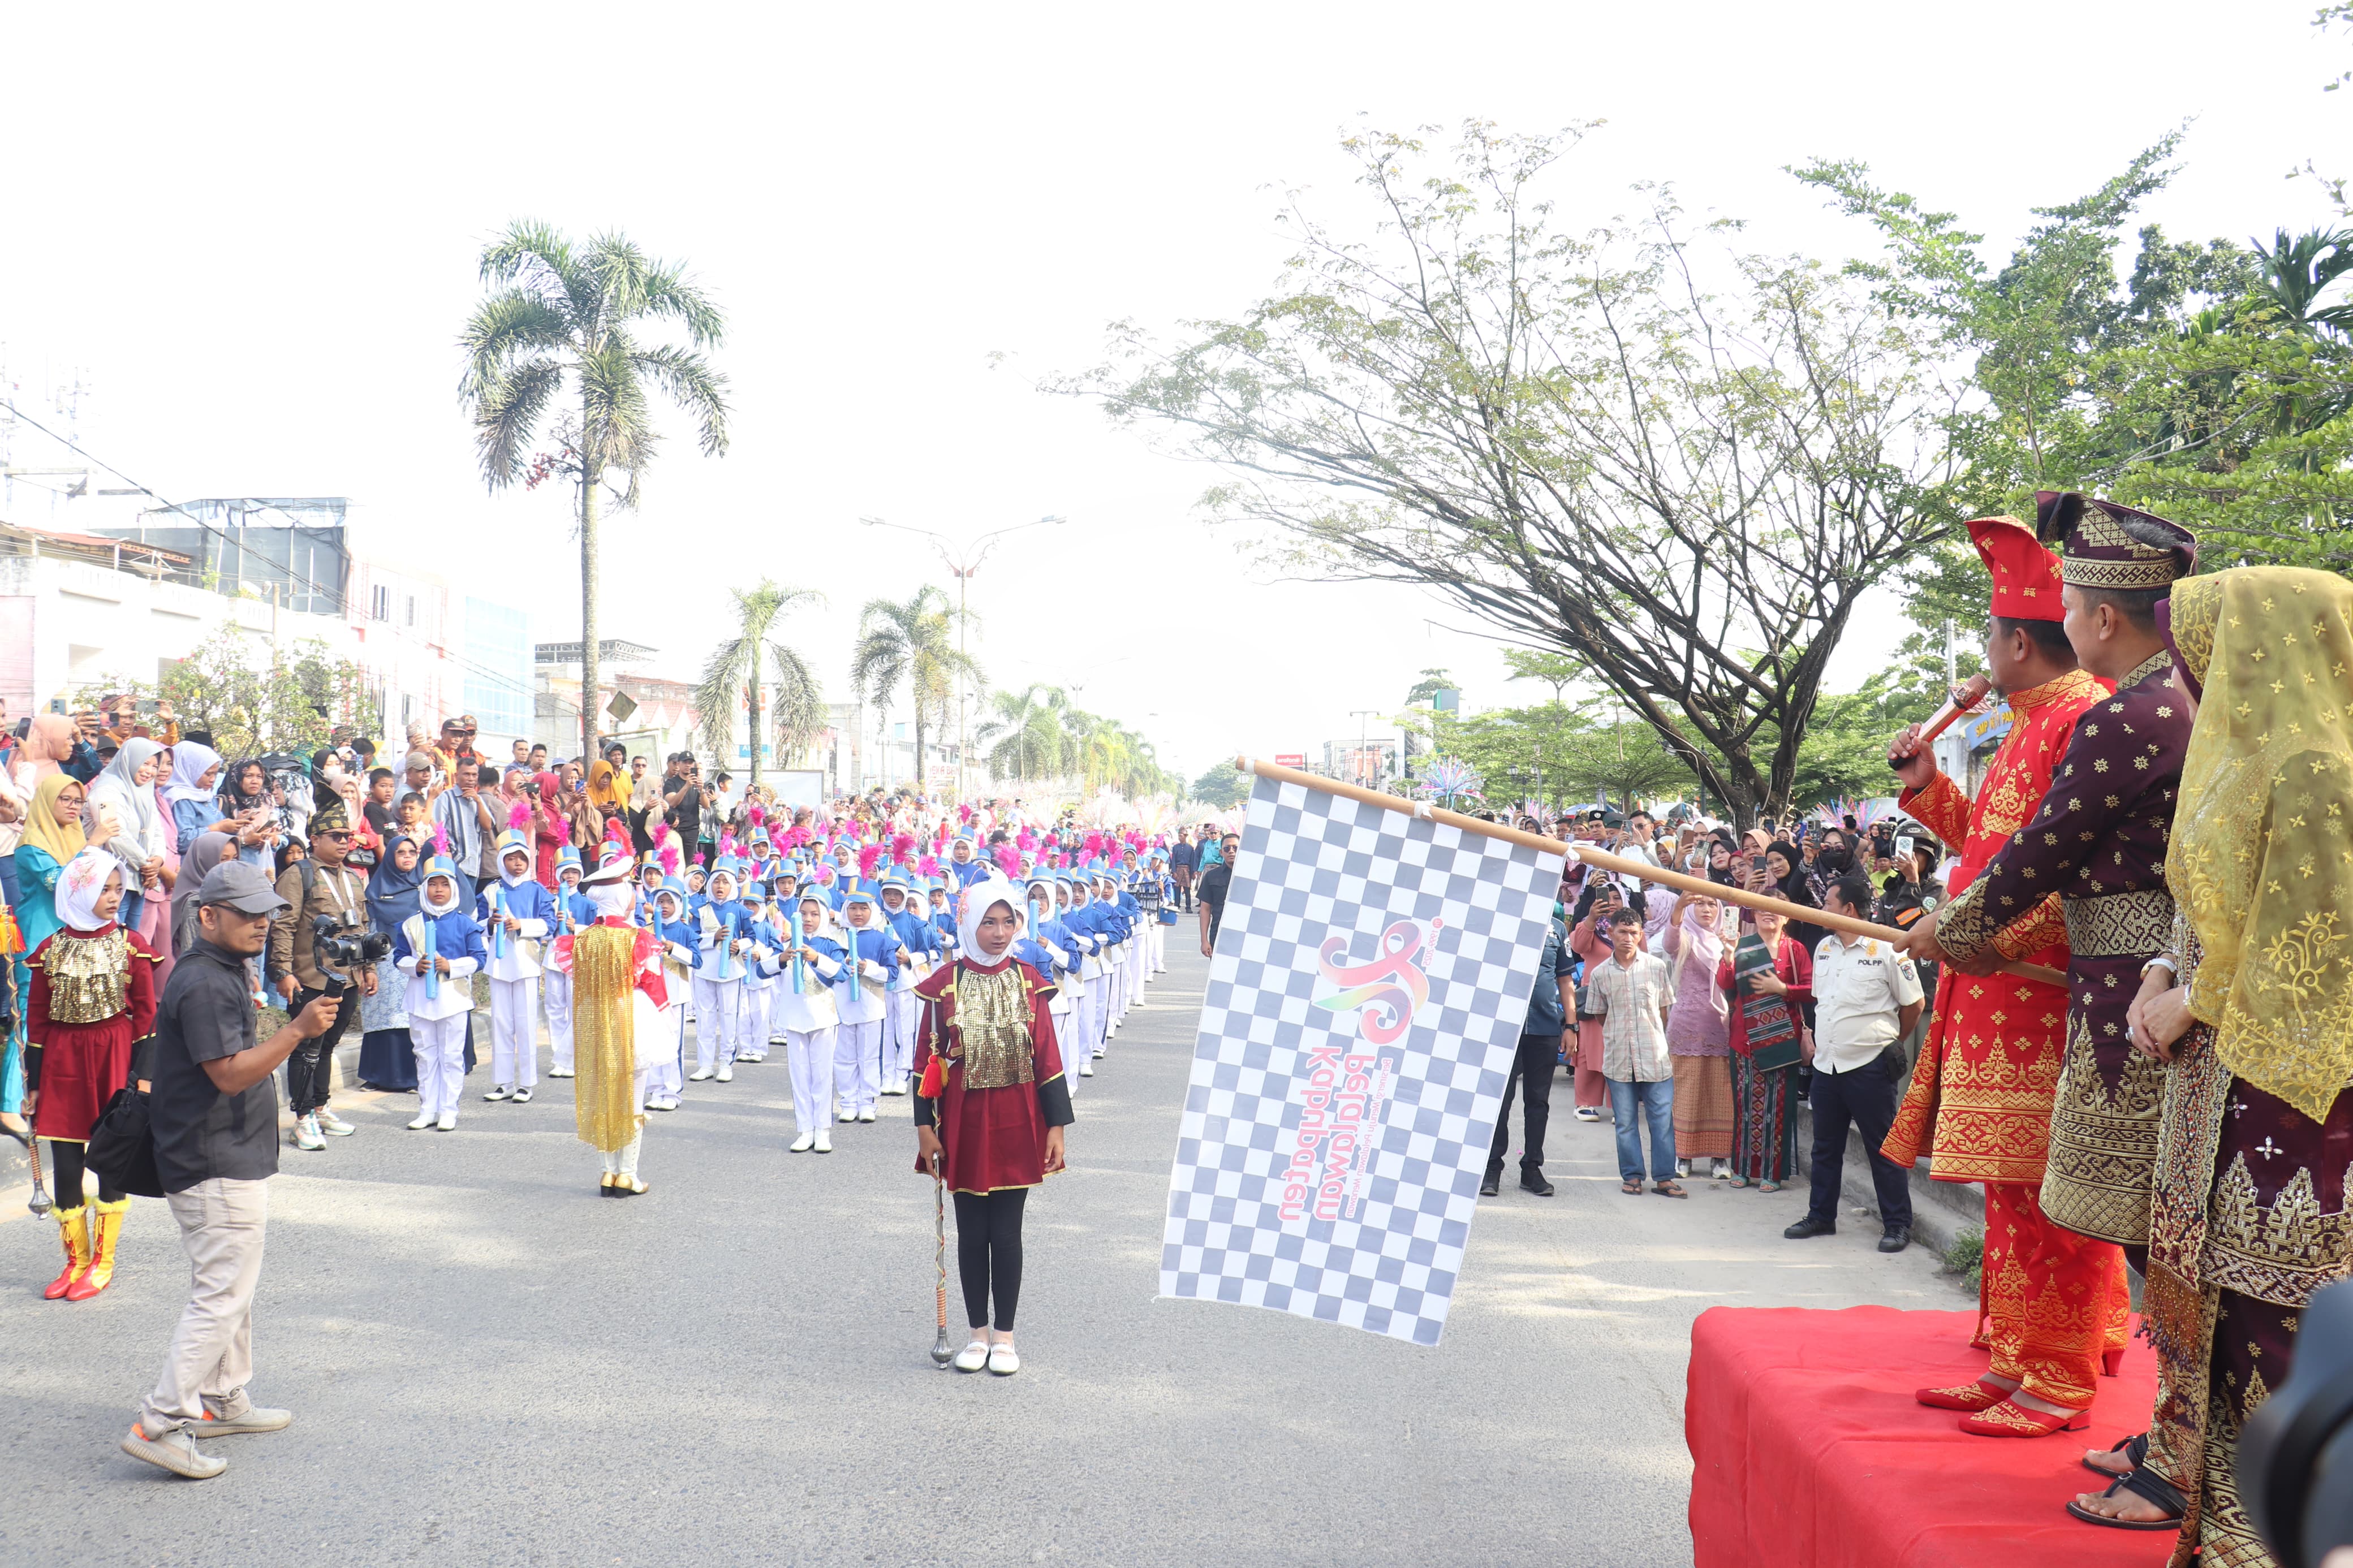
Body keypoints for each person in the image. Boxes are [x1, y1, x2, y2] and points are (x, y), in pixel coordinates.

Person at [2066, 565, 2353, 1547]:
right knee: (2216, 1323)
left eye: (2204, 652)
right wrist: (2160, 971)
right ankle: (2214, 1522)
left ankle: (2276, 1534)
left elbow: (2319, 949)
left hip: (2294, 1107)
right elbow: (2207, 907)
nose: (2190, 678)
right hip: (2215, 1087)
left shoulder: (2321, 768)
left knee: (2278, 1329)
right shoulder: (2245, 753)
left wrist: (2194, 999)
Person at [1881, 511, 2127, 1438]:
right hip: (1991, 996)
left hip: (2039, 1000)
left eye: (1989, 632)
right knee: (2010, 1188)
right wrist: (1926, 784)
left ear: (2018, 640)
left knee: (2050, 1190)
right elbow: (1993, 853)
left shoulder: (2082, 719)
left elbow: (2087, 875)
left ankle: (2060, 1373)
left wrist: (1986, 937)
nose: (1982, 650)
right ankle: (2022, 1357)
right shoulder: (2028, 722)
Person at [1910, 493, 2197, 1278]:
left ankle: (2080, 1381)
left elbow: (2044, 851)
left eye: (2069, 608)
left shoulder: (2118, 713)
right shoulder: (2156, 701)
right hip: (2121, 968)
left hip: (2118, 975)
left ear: (2104, 618)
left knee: (2103, 1206)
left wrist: (1960, 928)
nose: (2060, 625)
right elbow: (1996, 843)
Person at [121, 861, 338, 1480]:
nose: (261, 922)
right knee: (221, 1295)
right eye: (246, 912)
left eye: (265, 910)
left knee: (230, 1288)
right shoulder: (208, 981)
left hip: (217, 1152)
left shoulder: (216, 971)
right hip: (213, 1158)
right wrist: (296, 1030)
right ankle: (160, 1421)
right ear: (208, 915)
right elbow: (230, 1073)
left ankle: (225, 1397)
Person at [911, 876, 1074, 1376]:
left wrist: (1057, 1125)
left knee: (1006, 1232)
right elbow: (925, 1062)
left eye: (1008, 921)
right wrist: (924, 1126)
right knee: (970, 1231)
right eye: (988, 921)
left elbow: (1047, 1056)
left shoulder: (1029, 979)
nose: (999, 932)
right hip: (962, 1123)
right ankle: (975, 1333)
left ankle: (1004, 1335)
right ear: (967, 922)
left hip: (1018, 1121)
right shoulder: (946, 984)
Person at [26, 848, 161, 1300]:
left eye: (118, 888)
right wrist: (33, 1083)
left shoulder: (131, 943)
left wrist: (141, 1074)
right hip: (64, 1059)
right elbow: (39, 1021)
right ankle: (75, 1260)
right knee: (66, 1164)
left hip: (114, 1057)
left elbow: (146, 1015)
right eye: (103, 888)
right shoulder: (49, 950)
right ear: (78, 891)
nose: (113, 896)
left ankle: (102, 1261)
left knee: (108, 1158)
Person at [1785, 874, 1923, 1252]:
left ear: (1848, 908)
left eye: (1828, 903)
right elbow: (1823, 1003)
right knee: (1825, 1147)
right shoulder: (1825, 948)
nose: (1822, 909)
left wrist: (1890, 1042)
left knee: (1883, 1148)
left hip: (1869, 1066)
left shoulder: (1888, 947)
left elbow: (1914, 1004)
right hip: (1828, 1066)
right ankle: (1821, 1216)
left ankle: (1897, 1224)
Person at [548, 852, 669, 1196]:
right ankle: (628, 1173)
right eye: (629, 887)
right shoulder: (637, 937)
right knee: (632, 1097)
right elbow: (653, 983)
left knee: (603, 1094)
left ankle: (607, 1172)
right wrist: (666, 1015)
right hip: (632, 1016)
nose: (634, 892)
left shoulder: (582, 939)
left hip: (594, 1018)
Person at [266, 798, 373, 1152]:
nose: (344, 842)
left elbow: (363, 927)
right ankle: (302, 1117)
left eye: (348, 836)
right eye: (335, 835)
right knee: (305, 1047)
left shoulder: (353, 879)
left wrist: (368, 968)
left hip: (347, 978)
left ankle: (321, 1106)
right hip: (311, 976)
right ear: (314, 838)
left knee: (328, 1045)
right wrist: (282, 971)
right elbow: (282, 924)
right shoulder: (299, 874)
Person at [1480, 891, 1571, 1198]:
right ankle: (1492, 1167)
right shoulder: (1498, 921)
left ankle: (1532, 1167)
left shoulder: (1557, 928)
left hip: (1544, 1027)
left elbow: (1565, 980)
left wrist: (1570, 1025)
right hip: (1502, 1028)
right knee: (1500, 1102)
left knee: (1538, 1103)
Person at [1585, 908, 1680, 1197]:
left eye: (1634, 933)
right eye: (1623, 932)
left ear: (1641, 935)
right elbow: (1600, 1015)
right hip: (1619, 1059)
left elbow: (1664, 1012)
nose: (1628, 938)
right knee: (1625, 1123)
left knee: (1662, 1121)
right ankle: (1633, 1177)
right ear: (1611, 933)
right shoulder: (1600, 974)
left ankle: (1665, 1178)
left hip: (1655, 1057)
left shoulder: (1656, 967)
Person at [391, 847, 488, 1132]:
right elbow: (399, 957)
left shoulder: (465, 924)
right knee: (424, 1054)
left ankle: (449, 1109)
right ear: (424, 888)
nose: (438, 890)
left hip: (453, 999)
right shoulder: (410, 925)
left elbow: (478, 959)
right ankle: (427, 1108)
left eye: (445, 884)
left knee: (451, 1056)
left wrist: (451, 965)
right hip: (420, 998)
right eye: (432, 884)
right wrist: (415, 965)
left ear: (454, 888)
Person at [1717, 907, 1811, 1191]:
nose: (1768, 914)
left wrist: (1782, 987)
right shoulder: (1742, 945)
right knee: (1745, 1105)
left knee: (1778, 1106)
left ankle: (1772, 1172)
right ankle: (1743, 1169)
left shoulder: (1796, 950)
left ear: (1787, 917)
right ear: (1754, 916)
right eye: (1762, 909)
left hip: (1783, 1039)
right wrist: (1729, 954)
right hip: (1745, 1038)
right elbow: (1725, 983)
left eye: (1776, 909)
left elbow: (1811, 989)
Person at [753, 892, 844, 1151]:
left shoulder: (829, 944)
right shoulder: (789, 943)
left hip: (823, 1017)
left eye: (814, 914)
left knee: (822, 1075)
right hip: (794, 1018)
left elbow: (843, 973)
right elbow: (762, 970)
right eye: (803, 914)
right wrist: (782, 958)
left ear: (824, 916)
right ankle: (805, 1130)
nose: (808, 919)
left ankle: (822, 1130)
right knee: (800, 1075)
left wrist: (816, 958)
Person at [477, 828, 555, 1104]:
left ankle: (526, 1083)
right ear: (502, 861)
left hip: (526, 963)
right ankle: (504, 1082)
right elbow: (476, 925)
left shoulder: (537, 890)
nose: (518, 863)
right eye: (512, 858)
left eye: (522, 858)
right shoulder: (491, 891)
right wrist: (490, 924)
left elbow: (550, 925)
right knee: (501, 1023)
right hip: (498, 963)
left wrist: (522, 925)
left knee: (525, 1023)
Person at [1664, 888, 1736, 1181]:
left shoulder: (1727, 940)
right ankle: (1683, 1157)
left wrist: (1730, 953)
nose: (1707, 909)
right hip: (1687, 1027)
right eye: (1701, 904)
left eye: (1712, 904)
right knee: (1687, 1092)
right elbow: (1670, 944)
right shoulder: (1686, 937)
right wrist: (1679, 910)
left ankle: (1719, 1160)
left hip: (1721, 1026)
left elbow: (1734, 981)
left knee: (1721, 1095)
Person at [356, 832, 423, 1092]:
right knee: (381, 1016)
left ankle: (410, 1077)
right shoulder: (375, 890)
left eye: (411, 853)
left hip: (413, 960)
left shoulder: (424, 888)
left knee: (408, 1017)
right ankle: (377, 1075)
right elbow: (367, 926)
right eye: (400, 852)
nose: (407, 857)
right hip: (382, 960)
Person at [1567, 879, 1639, 1123]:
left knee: (1621, 1052)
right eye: (1606, 898)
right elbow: (1577, 946)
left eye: (1617, 898)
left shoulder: (1633, 929)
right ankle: (1584, 1103)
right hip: (1594, 998)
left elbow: (1644, 958)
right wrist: (1590, 919)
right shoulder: (1588, 926)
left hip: (1625, 998)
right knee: (1589, 1050)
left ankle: (1621, 1105)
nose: (1611, 903)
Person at [830, 886, 897, 1121]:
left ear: (873, 911)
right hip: (842, 1005)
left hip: (871, 1005)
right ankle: (848, 1101)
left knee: (868, 1056)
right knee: (845, 1056)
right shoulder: (834, 936)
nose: (858, 913)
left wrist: (868, 968)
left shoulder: (882, 940)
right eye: (853, 908)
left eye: (863, 909)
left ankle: (867, 1102)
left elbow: (892, 973)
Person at [1195, 830, 1239, 956]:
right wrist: (1204, 940)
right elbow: (1205, 909)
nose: (1231, 851)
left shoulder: (1251, 876)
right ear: (1221, 852)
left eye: (1235, 848)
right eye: (1227, 848)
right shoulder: (1212, 876)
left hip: (1245, 934)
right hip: (1219, 933)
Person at [1169, 828, 1197, 912]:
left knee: (1187, 889)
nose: (1180, 837)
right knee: (1177, 888)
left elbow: (1192, 861)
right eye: (1179, 836)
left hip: (1187, 869)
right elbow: (1173, 860)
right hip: (1178, 869)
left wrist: (1193, 872)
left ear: (1185, 836)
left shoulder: (1190, 848)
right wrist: (1174, 871)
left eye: (1181, 836)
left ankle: (1188, 907)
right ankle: (1177, 905)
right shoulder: (1176, 847)